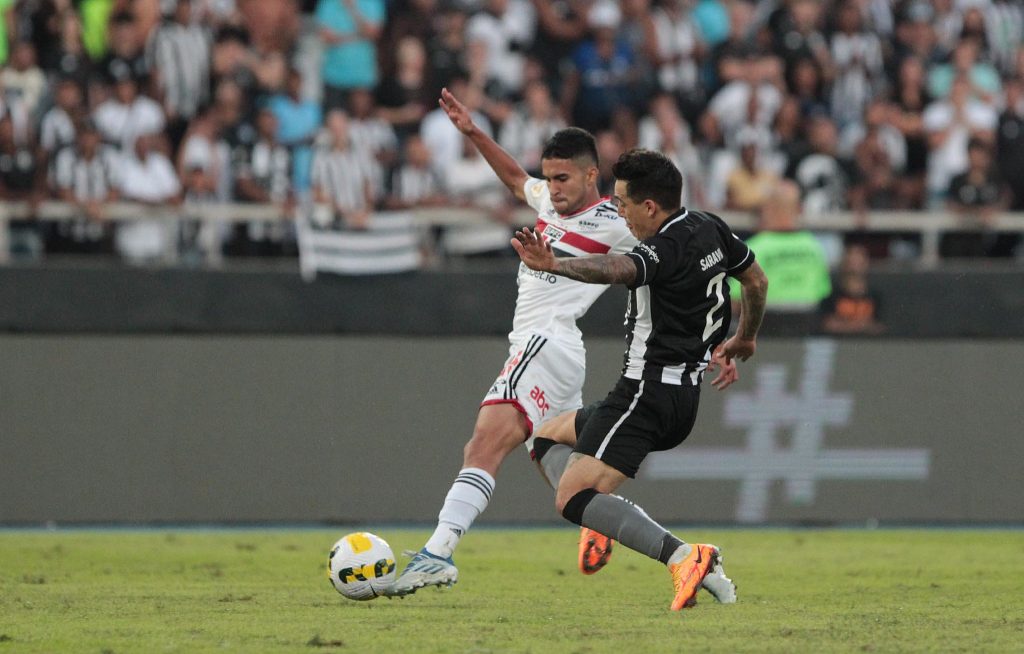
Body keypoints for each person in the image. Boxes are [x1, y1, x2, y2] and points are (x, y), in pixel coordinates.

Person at [387, 88, 638, 597]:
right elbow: (514, 179)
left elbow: (668, 253)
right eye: (550, 177)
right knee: (566, 477)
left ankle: (438, 552)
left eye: (564, 178)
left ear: (593, 174)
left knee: (484, 441)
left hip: (545, 343)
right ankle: (674, 550)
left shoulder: (618, 224)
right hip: (556, 351)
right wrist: (473, 131)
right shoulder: (549, 198)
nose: (553, 188)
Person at [510, 148, 768, 611]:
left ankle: (687, 557)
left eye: (623, 203)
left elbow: (617, 268)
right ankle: (604, 520)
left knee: (571, 498)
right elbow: (756, 281)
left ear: (651, 206)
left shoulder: (659, 249)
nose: (619, 212)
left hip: (645, 394)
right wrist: (743, 339)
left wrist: (553, 265)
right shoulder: (708, 226)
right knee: (546, 438)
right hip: (678, 394)